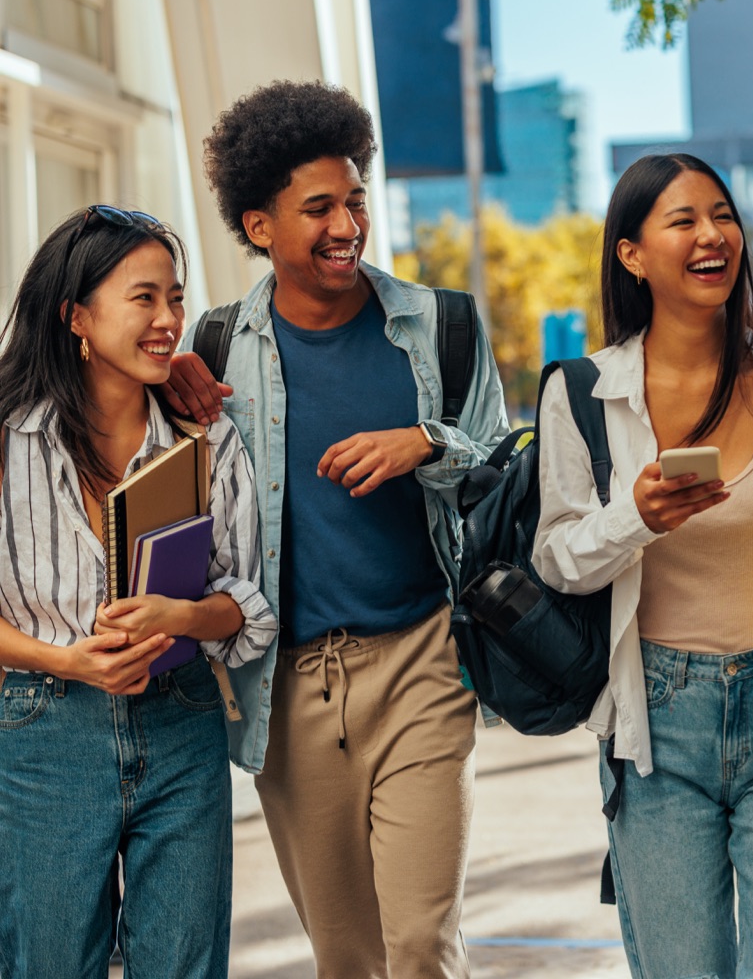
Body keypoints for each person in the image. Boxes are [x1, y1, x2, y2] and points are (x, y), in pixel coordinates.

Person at [163, 79, 508, 979]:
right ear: (260, 225)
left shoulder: (442, 326)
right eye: (317, 207)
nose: (346, 223)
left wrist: (426, 442)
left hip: (424, 661)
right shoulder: (213, 349)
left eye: (354, 199)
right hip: (290, 686)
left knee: (422, 945)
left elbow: (508, 472)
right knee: (346, 956)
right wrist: (166, 379)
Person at [531, 153, 753, 979]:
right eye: (684, 219)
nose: (712, 234)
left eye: (723, 215)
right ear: (631, 254)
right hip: (657, 728)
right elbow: (557, 561)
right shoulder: (581, 394)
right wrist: (637, 518)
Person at [0, 206, 275, 979]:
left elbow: (247, 601)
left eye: (175, 299)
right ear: (78, 317)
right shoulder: (6, 435)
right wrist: (69, 662)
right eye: (143, 298)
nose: (167, 321)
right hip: (41, 735)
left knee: (186, 966)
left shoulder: (207, 438)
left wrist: (185, 615)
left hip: (181, 722)